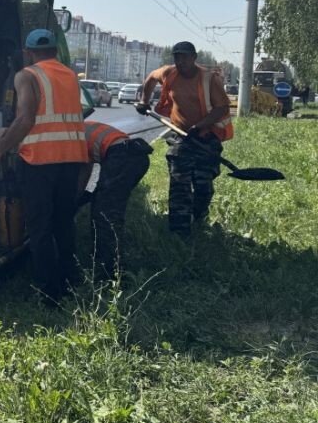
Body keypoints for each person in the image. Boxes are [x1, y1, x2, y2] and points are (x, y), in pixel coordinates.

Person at [0, 28, 89, 300]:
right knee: (63, 223)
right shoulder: (71, 76)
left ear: (28, 52)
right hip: (71, 158)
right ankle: (71, 280)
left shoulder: (26, 75)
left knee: (39, 228)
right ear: (54, 50)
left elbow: (27, 119)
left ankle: (49, 293)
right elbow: (51, 117)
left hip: (40, 163)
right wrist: (11, 134)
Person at [137, 41, 232, 235]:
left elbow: (222, 108)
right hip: (180, 138)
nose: (180, 61)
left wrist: (200, 126)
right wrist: (144, 101)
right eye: (176, 57)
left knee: (203, 186)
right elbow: (150, 79)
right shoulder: (169, 73)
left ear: (194, 58)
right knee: (179, 184)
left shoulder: (209, 79)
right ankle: (179, 233)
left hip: (206, 138)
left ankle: (199, 218)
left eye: (184, 57)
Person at [78, 121, 152, 280]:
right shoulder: (84, 127)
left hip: (122, 157)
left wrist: (77, 197)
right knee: (104, 205)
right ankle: (102, 258)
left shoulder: (73, 135)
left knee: (105, 214)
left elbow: (84, 169)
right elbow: (87, 166)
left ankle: (110, 272)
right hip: (135, 156)